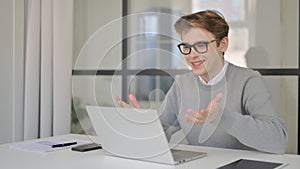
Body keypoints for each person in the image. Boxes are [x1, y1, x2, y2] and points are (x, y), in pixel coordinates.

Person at [115, 10, 288, 154]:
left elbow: (278, 142)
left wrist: (223, 117)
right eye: (186, 47)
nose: (191, 54)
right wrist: (143, 125)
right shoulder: (182, 85)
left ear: (223, 45)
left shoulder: (248, 81)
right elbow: (161, 134)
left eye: (201, 45)